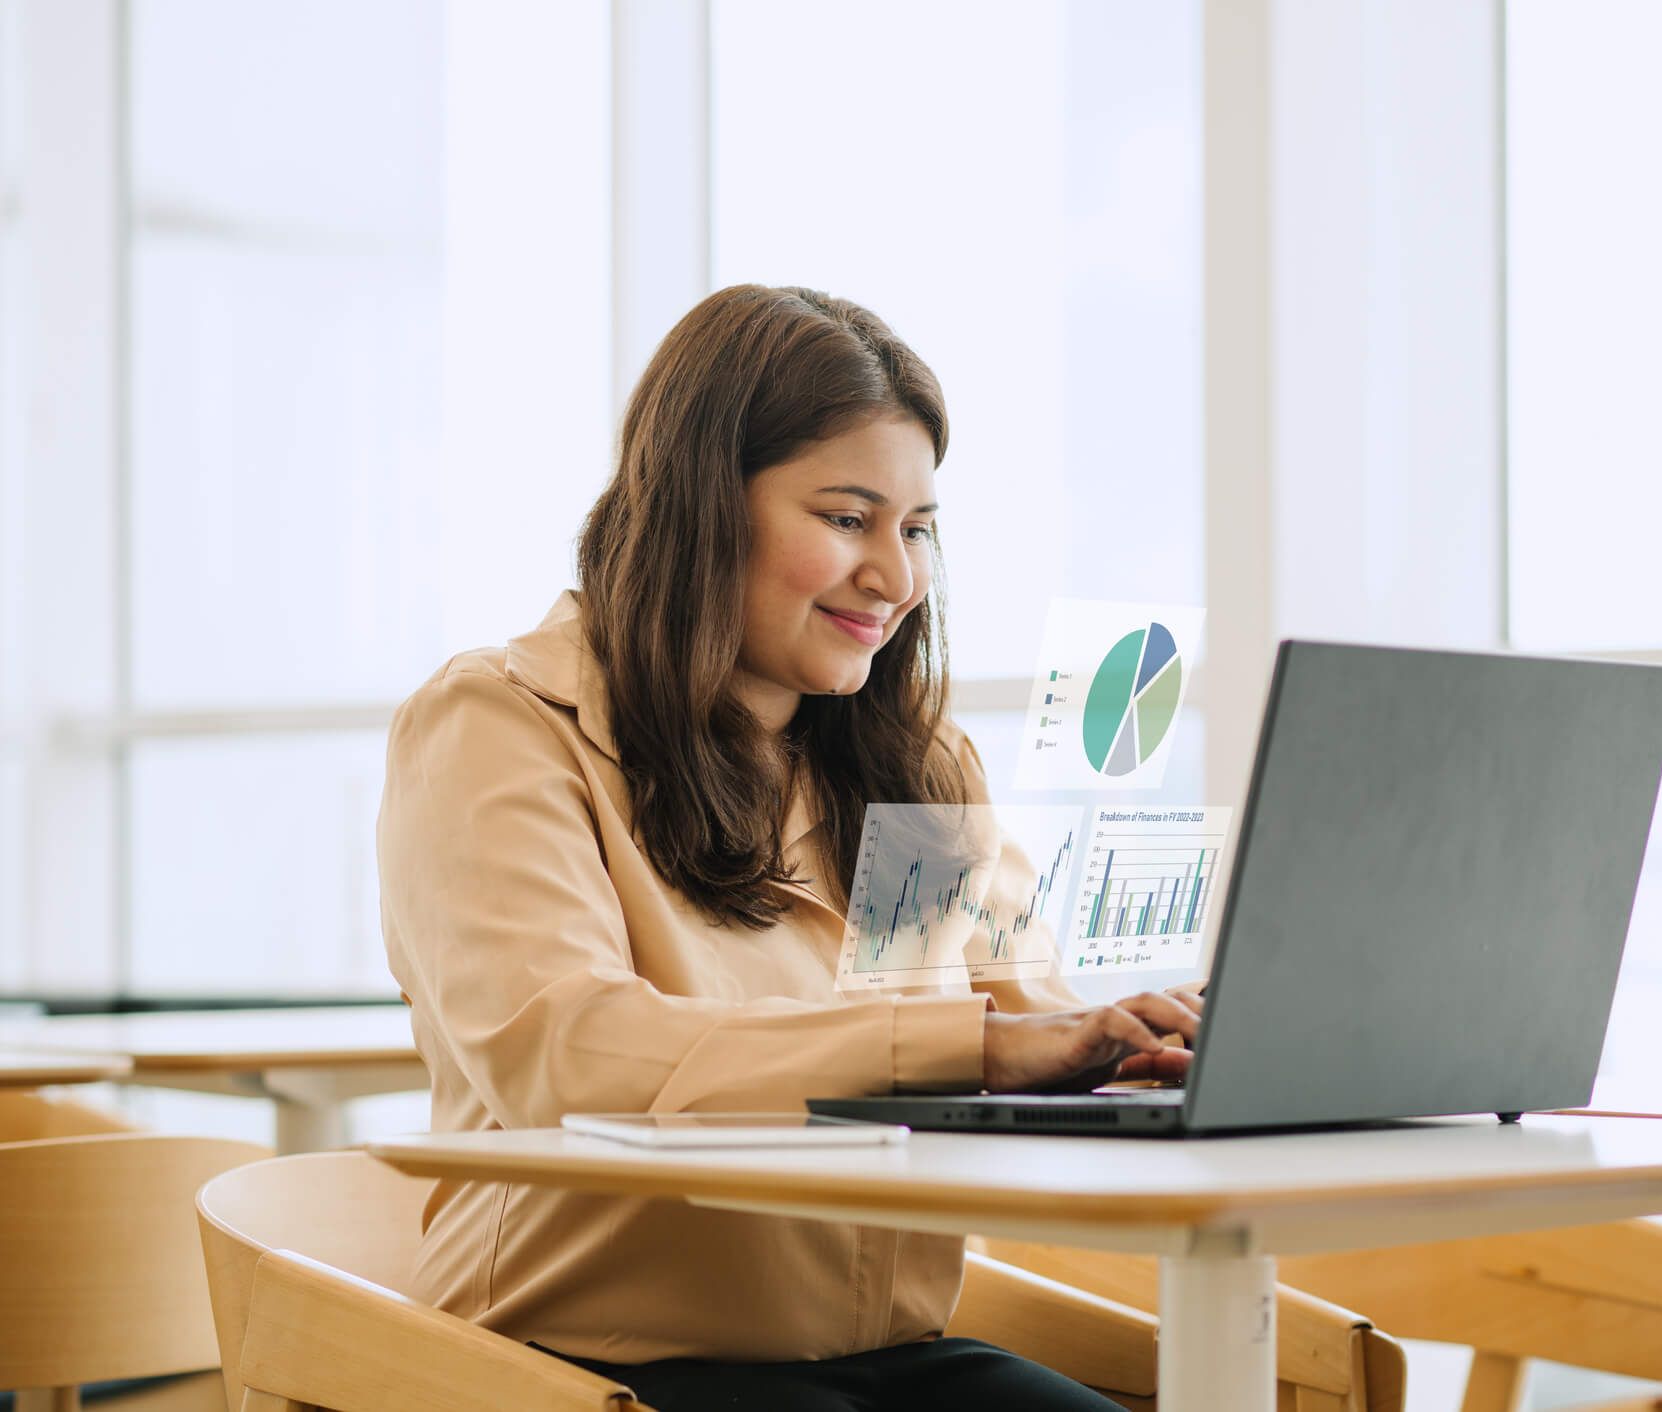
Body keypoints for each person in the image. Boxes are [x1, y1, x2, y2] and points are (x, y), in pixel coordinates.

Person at [377, 284, 1202, 1410]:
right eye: (847, 517)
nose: (898, 579)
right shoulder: (499, 724)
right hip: (578, 1359)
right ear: (700, 507)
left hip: (880, 1350)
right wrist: (978, 1042)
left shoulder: (918, 763)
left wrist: (1140, 1048)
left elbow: (1027, 1022)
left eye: (915, 530)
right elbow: (565, 1055)